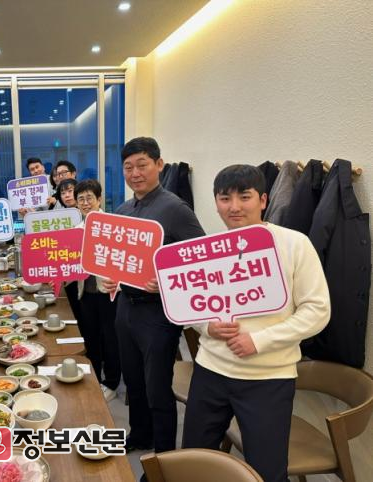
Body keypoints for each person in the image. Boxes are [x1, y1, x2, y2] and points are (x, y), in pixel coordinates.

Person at [182, 165, 330, 482]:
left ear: (263, 200)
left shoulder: (294, 244)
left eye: (244, 197)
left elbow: (317, 311)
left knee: (267, 470)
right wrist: (208, 326)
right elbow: (191, 306)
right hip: (210, 370)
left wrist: (259, 340)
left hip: (268, 378)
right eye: (225, 198)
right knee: (194, 459)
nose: (234, 207)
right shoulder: (208, 249)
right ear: (216, 202)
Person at [103, 137, 205, 455]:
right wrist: (111, 278)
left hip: (158, 313)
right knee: (133, 381)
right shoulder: (123, 209)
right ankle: (139, 435)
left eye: (142, 165)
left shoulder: (175, 209)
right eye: (128, 167)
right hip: (125, 308)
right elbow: (118, 258)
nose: (135, 173)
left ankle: (164, 458)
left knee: (157, 388)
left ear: (159, 165)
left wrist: (167, 281)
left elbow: (200, 258)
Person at [75, 179, 121, 402]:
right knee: (90, 337)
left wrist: (119, 282)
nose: (85, 203)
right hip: (86, 292)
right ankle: (94, 378)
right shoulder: (76, 230)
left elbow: (125, 259)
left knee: (111, 339)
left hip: (109, 292)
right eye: (81, 199)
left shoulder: (113, 225)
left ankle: (111, 382)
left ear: (99, 199)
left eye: (89, 198)